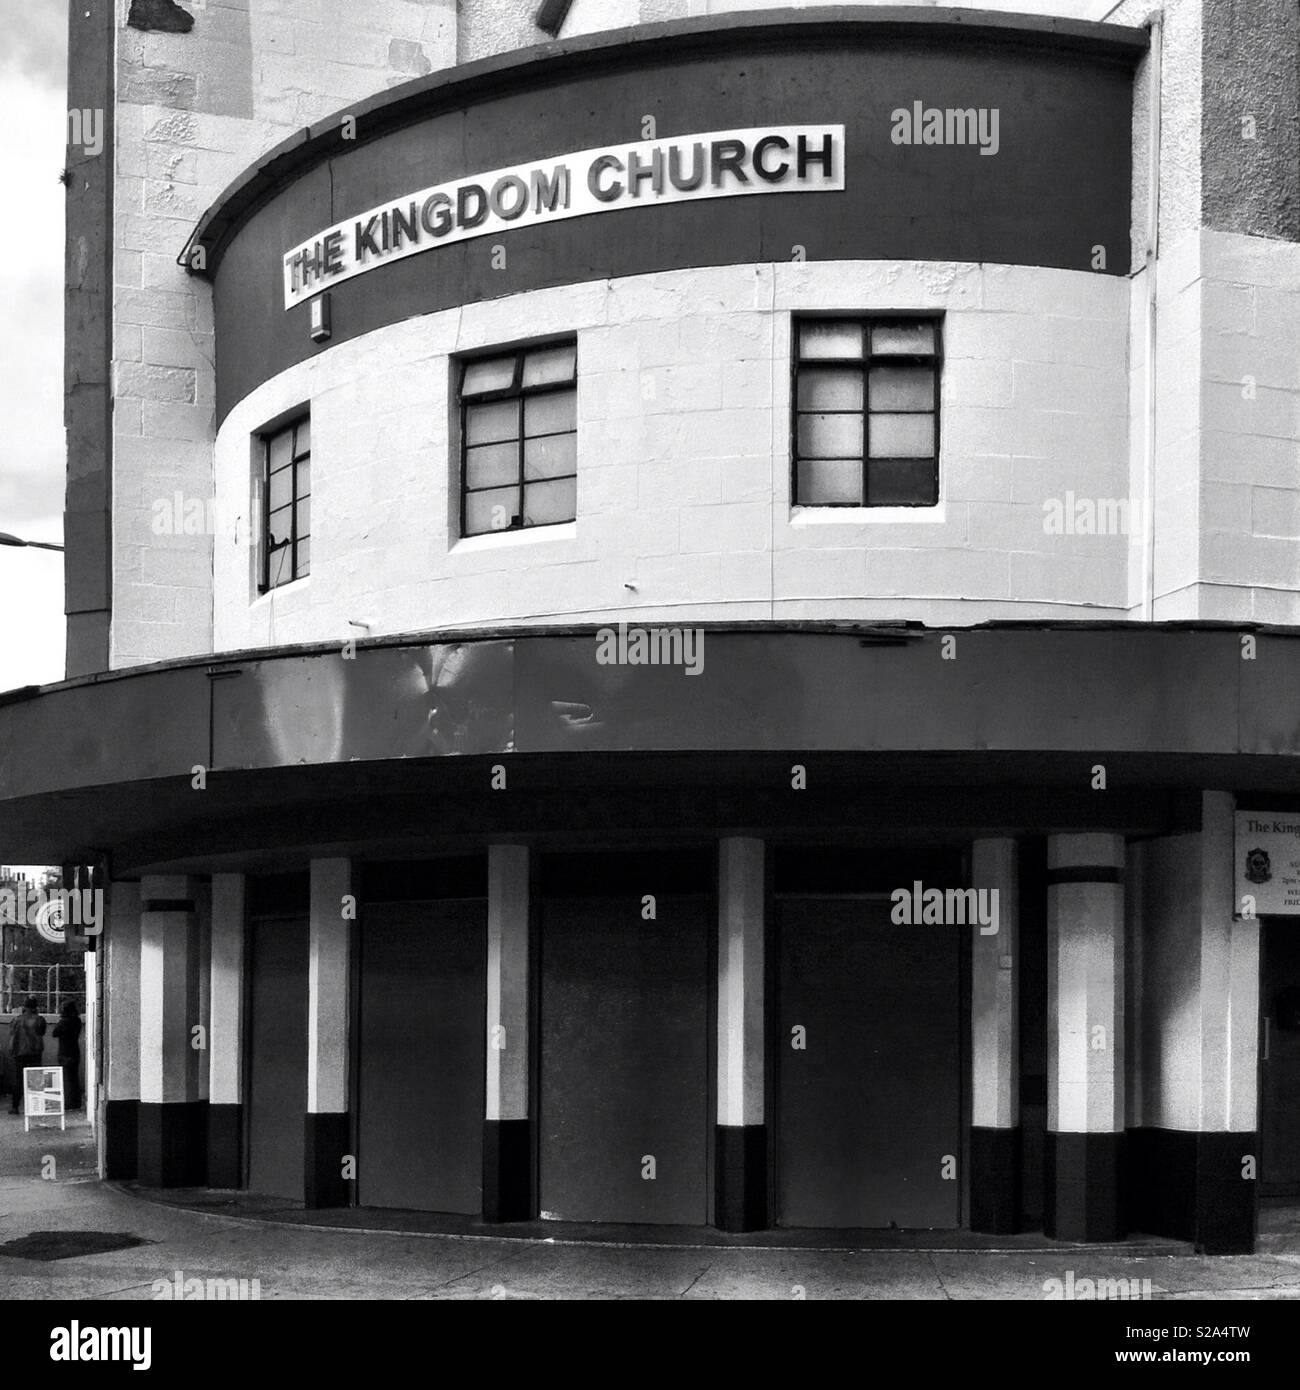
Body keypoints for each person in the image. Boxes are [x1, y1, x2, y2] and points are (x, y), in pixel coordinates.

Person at [8, 998, 46, 1115]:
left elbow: (12, 1033)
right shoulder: (40, 1020)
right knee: (36, 1079)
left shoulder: (16, 1020)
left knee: (19, 1079)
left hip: (19, 1052)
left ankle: (15, 1106)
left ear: (24, 1007)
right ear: (35, 1007)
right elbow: (42, 1032)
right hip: (35, 1052)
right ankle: (37, 1106)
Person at [53, 1002, 83, 1110]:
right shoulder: (77, 1021)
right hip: (74, 1050)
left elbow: (55, 1033)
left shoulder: (63, 1022)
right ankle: (76, 1102)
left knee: (66, 1078)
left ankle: (68, 1102)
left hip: (64, 1051)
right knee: (74, 1078)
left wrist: (59, 1022)